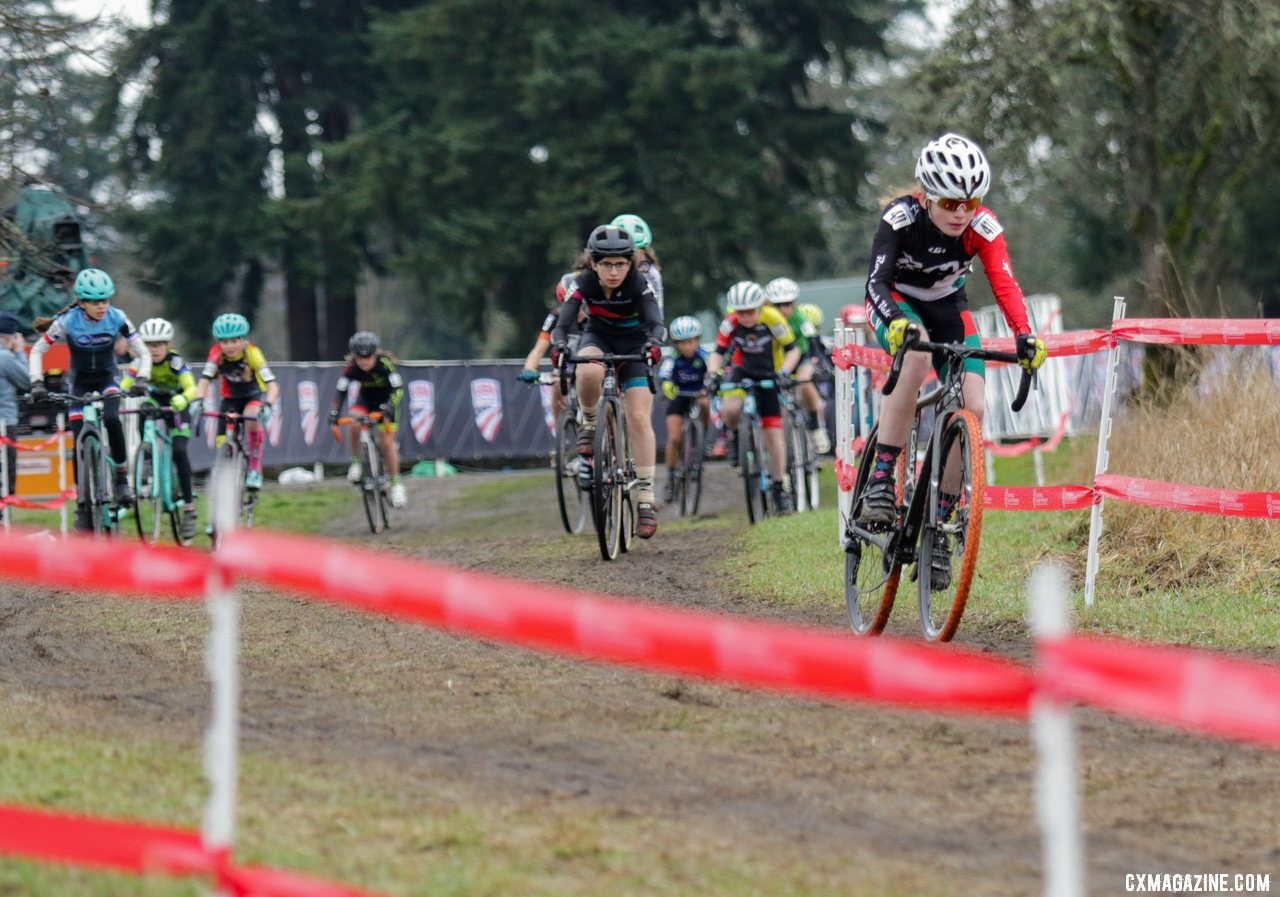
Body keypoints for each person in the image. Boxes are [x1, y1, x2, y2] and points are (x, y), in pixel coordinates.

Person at [859, 132, 1047, 587]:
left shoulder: (983, 227)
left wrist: (1025, 335)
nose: (960, 213)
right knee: (917, 356)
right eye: (949, 202)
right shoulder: (900, 218)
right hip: (897, 303)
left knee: (974, 407)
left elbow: (1005, 285)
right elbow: (876, 283)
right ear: (927, 196)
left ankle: (940, 526)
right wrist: (896, 323)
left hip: (948, 309)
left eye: (970, 201)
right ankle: (882, 477)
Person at [550, 224, 665, 538]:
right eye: (605, 264)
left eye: (620, 264)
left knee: (639, 417)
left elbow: (655, 322)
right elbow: (562, 323)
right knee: (587, 368)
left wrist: (654, 344)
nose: (613, 271)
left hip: (635, 345)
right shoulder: (584, 282)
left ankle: (645, 497)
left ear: (630, 263)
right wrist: (559, 344)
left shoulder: (639, 283)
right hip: (599, 338)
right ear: (593, 264)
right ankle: (589, 424)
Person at [28, 267, 151, 528]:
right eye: (95, 302)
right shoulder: (68, 321)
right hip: (79, 382)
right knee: (77, 444)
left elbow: (143, 353)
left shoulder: (118, 318)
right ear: (82, 303)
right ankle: (82, 506)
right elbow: (38, 350)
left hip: (107, 378)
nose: (101, 306)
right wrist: (37, 383)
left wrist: (142, 378)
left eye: (105, 300)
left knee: (112, 419)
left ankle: (121, 480)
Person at [705, 280, 801, 515]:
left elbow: (793, 349)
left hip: (771, 371)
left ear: (759, 307)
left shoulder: (773, 318)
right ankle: (736, 437)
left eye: (750, 311)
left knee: (773, 433)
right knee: (730, 408)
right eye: (740, 312)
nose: (745, 317)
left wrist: (785, 373)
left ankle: (780, 488)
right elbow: (717, 354)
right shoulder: (730, 323)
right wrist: (712, 375)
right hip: (743, 369)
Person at [121, 317, 200, 540]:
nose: (153, 349)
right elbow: (124, 386)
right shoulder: (139, 363)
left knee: (180, 451)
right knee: (143, 410)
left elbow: (191, 387)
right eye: (149, 345)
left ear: (169, 345)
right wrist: (117, 395)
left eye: (159, 344)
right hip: (155, 400)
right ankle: (146, 460)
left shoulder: (175, 362)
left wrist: (184, 399)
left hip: (177, 403)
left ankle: (189, 508)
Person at [194, 313, 279, 492]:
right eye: (224, 342)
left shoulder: (253, 353)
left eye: (234, 341)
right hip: (230, 399)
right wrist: (198, 400)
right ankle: (226, 470)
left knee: (251, 418)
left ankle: (255, 468)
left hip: (252, 397)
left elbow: (272, 385)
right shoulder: (216, 354)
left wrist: (268, 405)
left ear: (242, 340)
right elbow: (204, 379)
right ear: (219, 343)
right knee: (221, 439)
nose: (230, 346)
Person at [328, 330, 407, 509]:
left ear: (375, 354)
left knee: (387, 444)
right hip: (365, 401)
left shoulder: (385, 365)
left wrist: (389, 407)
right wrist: (334, 412)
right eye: (360, 356)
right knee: (354, 421)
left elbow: (398, 389)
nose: (364, 360)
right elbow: (341, 391)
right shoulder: (351, 368)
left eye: (368, 356)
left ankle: (396, 485)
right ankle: (356, 463)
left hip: (387, 403)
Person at [764, 277, 831, 454]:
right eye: (777, 305)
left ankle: (815, 426)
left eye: (787, 304)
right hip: (778, 361)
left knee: (804, 380)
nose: (782, 309)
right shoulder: (767, 320)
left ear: (794, 304)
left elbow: (813, 340)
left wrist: (818, 360)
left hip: (802, 357)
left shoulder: (801, 318)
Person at [658, 315, 710, 503]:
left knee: (705, 403)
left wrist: (711, 383)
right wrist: (667, 386)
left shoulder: (704, 356)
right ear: (676, 344)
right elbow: (664, 376)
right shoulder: (673, 359)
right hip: (679, 398)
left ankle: (703, 435)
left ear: (697, 340)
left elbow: (715, 371)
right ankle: (670, 480)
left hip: (699, 395)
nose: (687, 347)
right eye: (682, 343)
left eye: (691, 342)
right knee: (674, 438)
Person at [519, 272, 579, 420]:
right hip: (569, 362)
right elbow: (539, 349)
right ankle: (559, 431)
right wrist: (529, 369)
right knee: (558, 383)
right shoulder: (556, 316)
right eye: (568, 304)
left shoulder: (596, 315)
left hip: (593, 359)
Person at [0, 312, 31, 499]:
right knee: (7, 473)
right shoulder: (5, 357)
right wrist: (20, 352)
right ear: (9, 338)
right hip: (4, 423)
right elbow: (26, 381)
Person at [611, 213, 663, 315]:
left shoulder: (651, 273)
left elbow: (656, 311)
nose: (632, 258)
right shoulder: (602, 271)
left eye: (637, 251)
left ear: (644, 251)